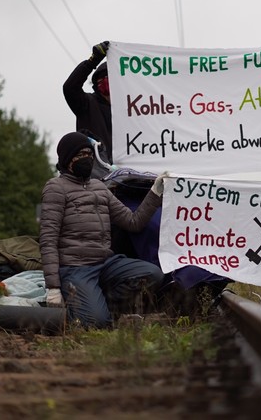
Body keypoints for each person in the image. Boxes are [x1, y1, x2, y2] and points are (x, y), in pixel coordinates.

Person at [39, 132, 166, 328]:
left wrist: (154, 193)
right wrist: (53, 287)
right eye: (80, 154)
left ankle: (99, 301)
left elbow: (133, 222)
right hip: (75, 269)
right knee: (95, 322)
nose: (87, 159)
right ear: (67, 159)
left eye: (90, 154)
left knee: (152, 274)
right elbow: (48, 240)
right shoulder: (56, 188)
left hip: (105, 264)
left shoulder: (99, 187)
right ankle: (91, 307)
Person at [63, 41, 113, 170]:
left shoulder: (132, 108)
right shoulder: (87, 104)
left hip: (129, 177)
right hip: (95, 175)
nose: (106, 83)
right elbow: (70, 88)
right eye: (102, 80)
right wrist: (92, 61)